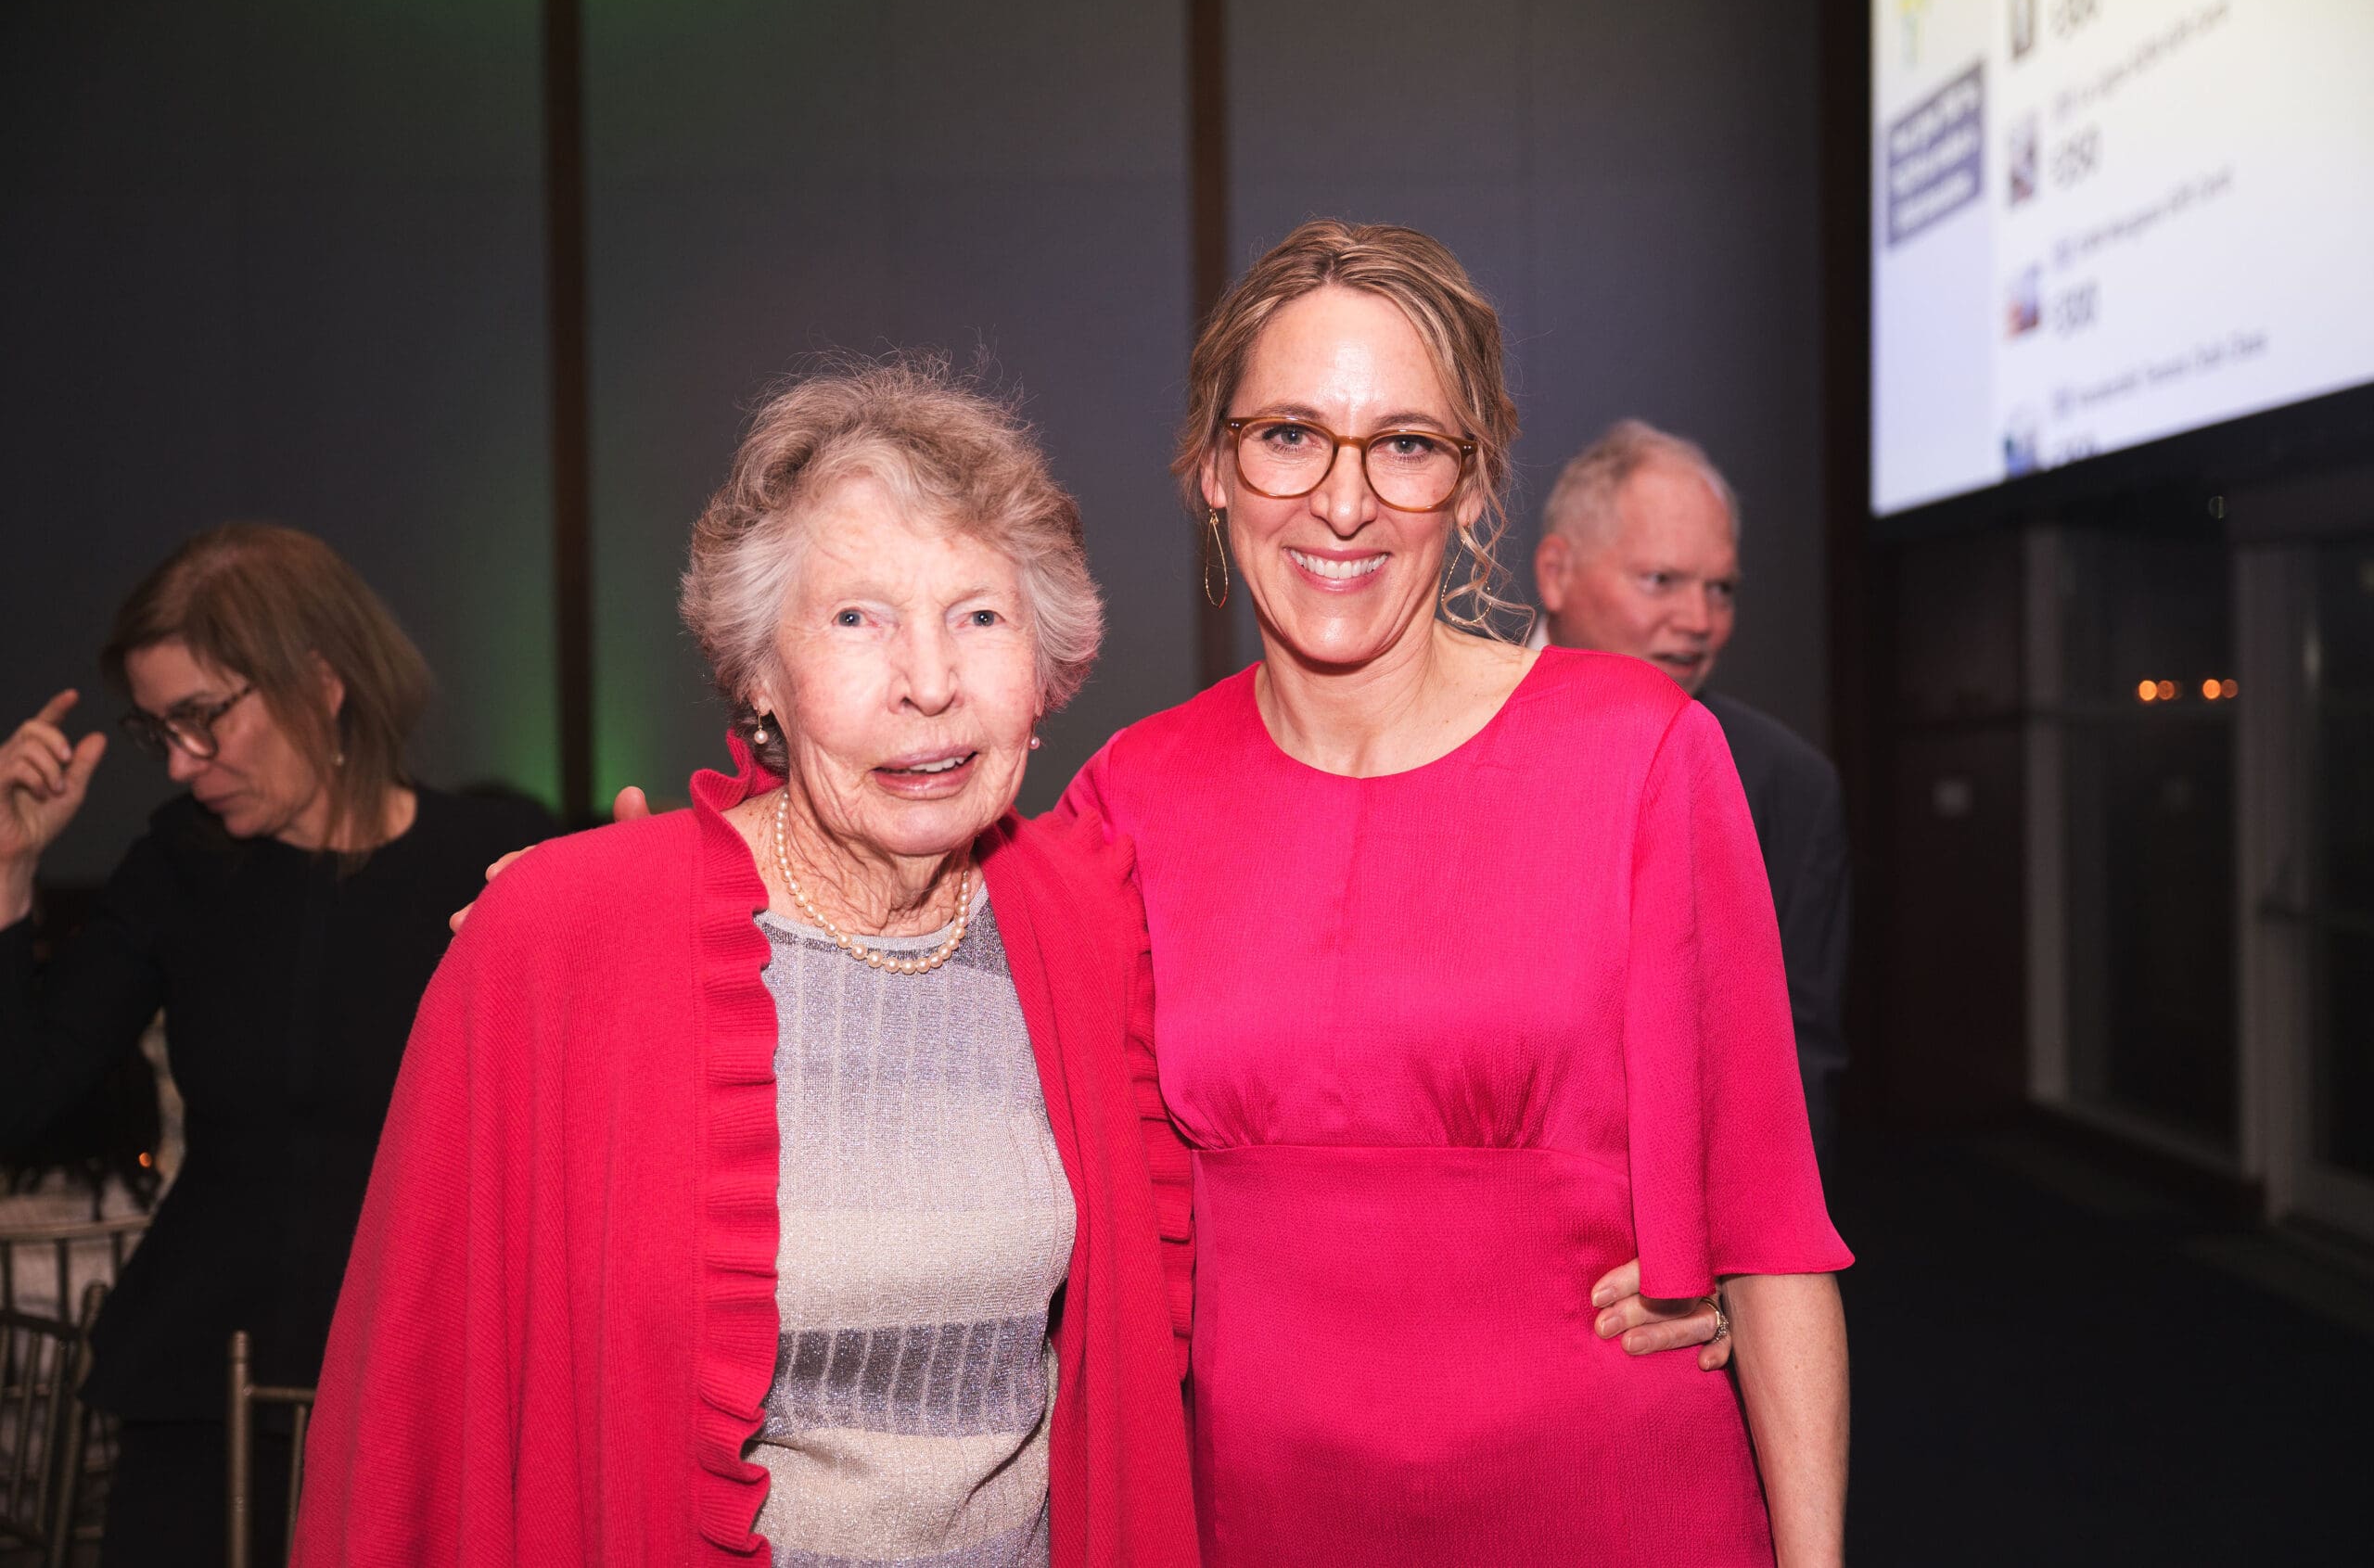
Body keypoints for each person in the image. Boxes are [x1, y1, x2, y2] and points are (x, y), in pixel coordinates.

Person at [294, 360, 1198, 1567]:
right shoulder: (561, 938)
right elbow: (413, 1404)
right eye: (855, 618)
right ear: (759, 676)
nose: (929, 681)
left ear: (1043, 672)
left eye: (980, 615)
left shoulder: (1086, 922)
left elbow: (1149, 1337)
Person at [1059, 222, 1851, 1565]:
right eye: (1290, 434)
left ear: (1475, 488)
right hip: (1254, 1511)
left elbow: (1773, 1221)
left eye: (1407, 445)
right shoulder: (1131, 794)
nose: (1344, 501)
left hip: (1612, 1496)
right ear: (1210, 468)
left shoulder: (1642, 750)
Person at [0, 524, 555, 1567]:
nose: (180, 761)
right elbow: (18, 1102)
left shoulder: (483, 865)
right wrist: (7, 875)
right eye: (159, 729)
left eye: (204, 718)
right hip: (202, 1396)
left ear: (324, 678)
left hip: (428, 1398)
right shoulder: (179, 863)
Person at [1531, 420, 1852, 1157]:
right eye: (1662, 581)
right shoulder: (1438, 732)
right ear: (1556, 573)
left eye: (1721, 589)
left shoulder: (1787, 786)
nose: (1699, 621)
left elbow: (1796, 1078)